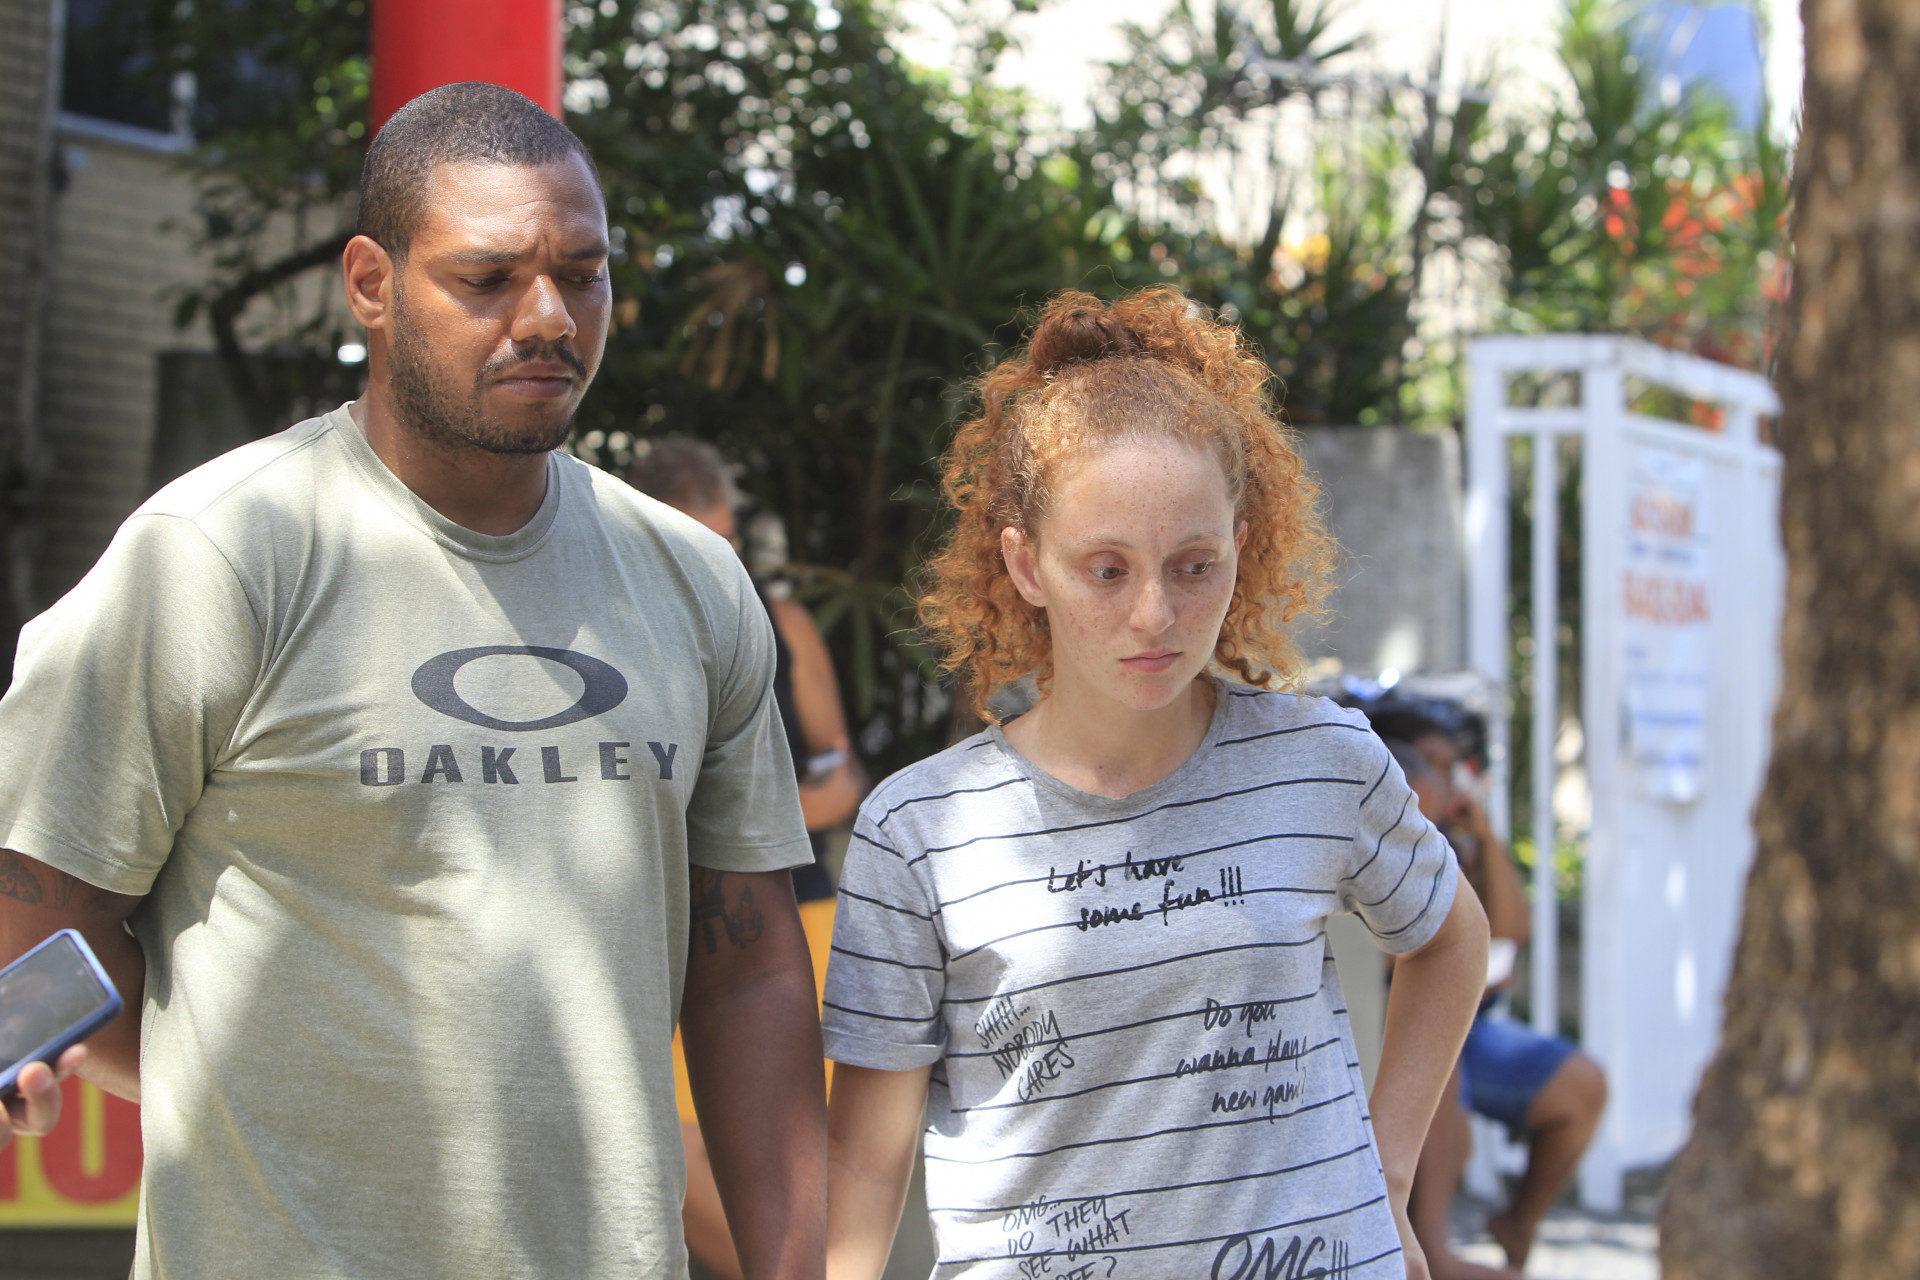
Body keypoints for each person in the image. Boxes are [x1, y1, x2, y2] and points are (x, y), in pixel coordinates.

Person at [0, 83, 826, 1279]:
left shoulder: (691, 579)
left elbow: (745, 964)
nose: (548, 315)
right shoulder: (220, 556)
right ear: (373, 286)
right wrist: (270, 1086)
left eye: (583, 274)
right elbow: (40, 937)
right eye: (487, 278)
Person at [819, 288, 1491, 1280]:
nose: (1154, 613)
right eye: (1105, 568)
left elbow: (1451, 936)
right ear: (1026, 562)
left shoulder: (1324, 761)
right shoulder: (918, 830)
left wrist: (1385, 1169)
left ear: (1241, 547)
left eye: (1193, 565)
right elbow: (865, 1168)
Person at [630, 436, 865, 1280]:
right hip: (670, 935)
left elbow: (844, 779)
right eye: (699, 539)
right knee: (677, 1155)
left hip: (799, 915)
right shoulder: (621, 633)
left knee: (809, 1162)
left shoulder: (784, 623)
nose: (717, 560)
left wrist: (732, 820)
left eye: (727, 539)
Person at [1383, 724, 1607, 1278]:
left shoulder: (1460, 842)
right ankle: (1434, 1251)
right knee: (1444, 1080)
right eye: (1430, 763)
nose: (1442, 776)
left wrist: (1485, 839)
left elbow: (1510, 933)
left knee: (1583, 1086)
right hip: (1401, 1024)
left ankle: (1518, 1221)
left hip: (1476, 1024)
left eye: (1449, 765)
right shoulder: (1382, 835)